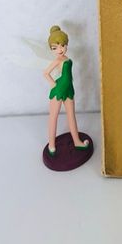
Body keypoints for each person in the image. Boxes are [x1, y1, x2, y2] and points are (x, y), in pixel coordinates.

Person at [44, 26, 90, 154]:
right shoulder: (58, 60)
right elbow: (46, 73)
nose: (60, 49)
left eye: (62, 46)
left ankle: (77, 141)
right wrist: (53, 85)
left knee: (71, 116)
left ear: (66, 45)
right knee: (53, 117)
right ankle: (51, 145)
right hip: (59, 91)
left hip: (69, 89)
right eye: (55, 47)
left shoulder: (66, 59)